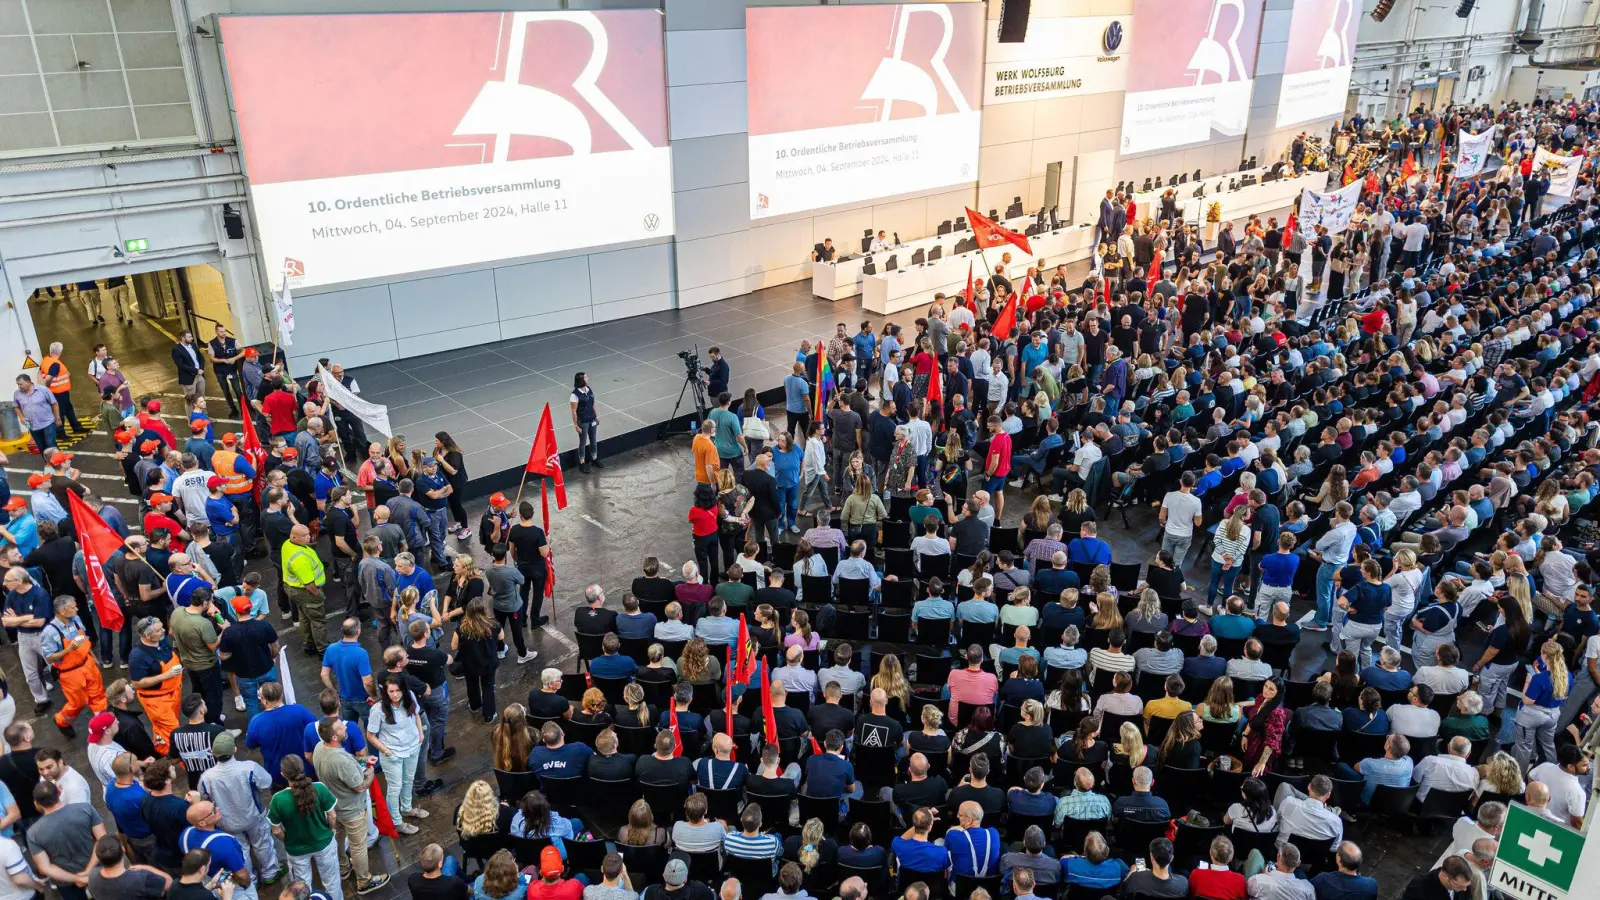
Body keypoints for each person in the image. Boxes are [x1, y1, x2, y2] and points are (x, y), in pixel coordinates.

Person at [198, 732, 281, 884]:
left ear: (213, 753)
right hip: (253, 817)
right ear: (235, 750)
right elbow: (267, 782)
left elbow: (204, 798)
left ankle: (251, 880)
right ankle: (270, 873)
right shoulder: (249, 767)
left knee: (241, 850)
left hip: (227, 822)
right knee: (263, 844)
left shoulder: (206, 777)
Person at [268, 755, 341, 900]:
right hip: (324, 843)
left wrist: (287, 840)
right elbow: (332, 816)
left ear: (283, 774)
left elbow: (276, 830)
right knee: (332, 882)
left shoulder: (278, 799)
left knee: (301, 887)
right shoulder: (319, 788)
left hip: (297, 850)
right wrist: (329, 829)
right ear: (303, 769)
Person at [29, 779, 106, 900]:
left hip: (65, 882)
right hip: (97, 871)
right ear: (59, 792)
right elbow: (103, 840)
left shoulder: (33, 833)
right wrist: (88, 870)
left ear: (36, 803)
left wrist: (77, 878)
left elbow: (45, 867)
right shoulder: (85, 809)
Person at [87, 835, 166, 900]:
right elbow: (168, 884)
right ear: (123, 849)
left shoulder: (92, 876)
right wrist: (147, 868)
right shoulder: (142, 878)